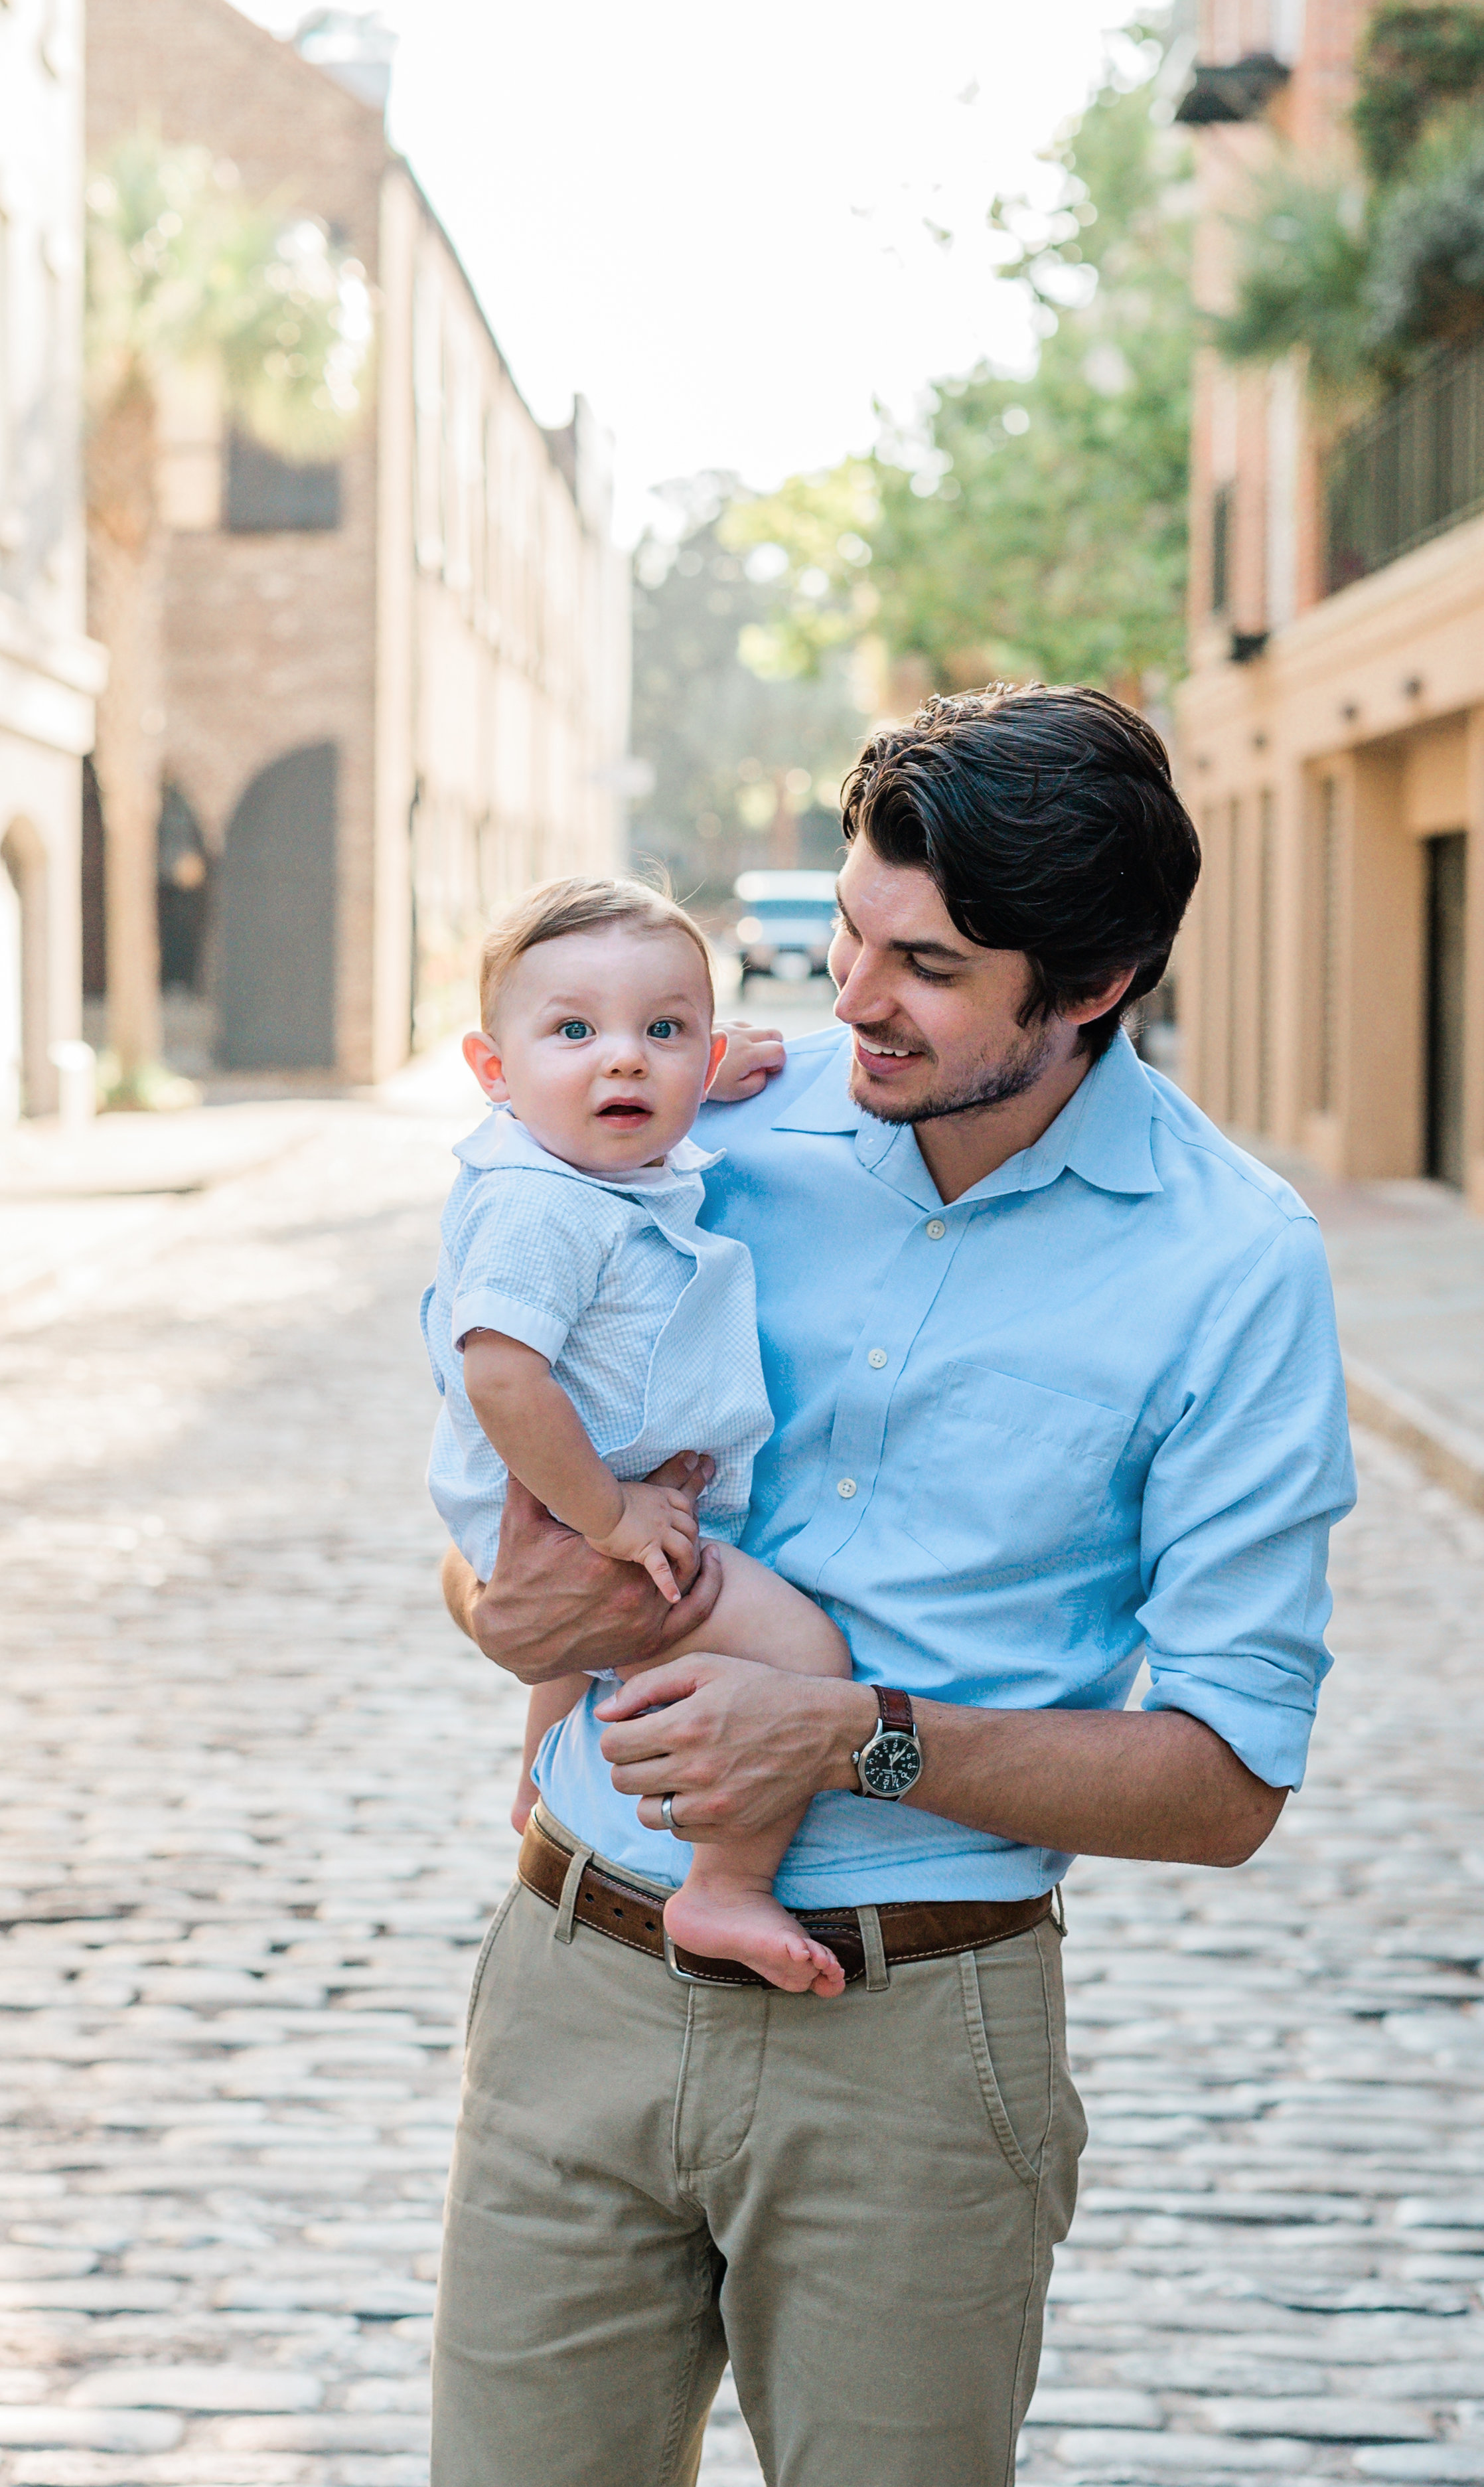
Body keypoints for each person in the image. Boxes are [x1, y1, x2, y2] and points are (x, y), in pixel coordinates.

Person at [430, 684, 1356, 2487]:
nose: (846, 994)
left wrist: (850, 1739)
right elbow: (493, 1454)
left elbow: (1226, 1779)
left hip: (913, 2049)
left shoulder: (1234, 1267)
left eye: (922, 966)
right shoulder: (709, 1126)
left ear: (1087, 987)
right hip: (570, 1983)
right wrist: (498, 1609)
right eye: (850, 930)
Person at [421, 876, 855, 1995]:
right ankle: (726, 1885)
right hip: (589, 1504)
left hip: (574, 1498)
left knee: (573, 1650)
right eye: (574, 1030)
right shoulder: (540, 1206)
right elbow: (502, 1370)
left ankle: (538, 1784)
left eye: (664, 1030)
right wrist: (610, 1518)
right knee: (807, 1659)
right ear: (492, 1071)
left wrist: (718, 1072)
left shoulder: (579, 1158)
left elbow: (635, 1118)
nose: (625, 1060)